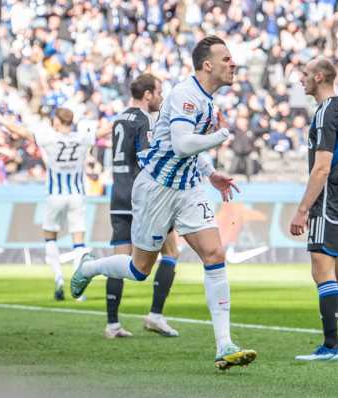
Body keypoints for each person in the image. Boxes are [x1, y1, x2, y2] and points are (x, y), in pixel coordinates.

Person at [69, 36, 256, 370]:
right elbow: (184, 144)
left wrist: (211, 173)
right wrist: (222, 135)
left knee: (214, 253)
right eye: (226, 59)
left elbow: (183, 149)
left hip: (188, 188)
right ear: (207, 65)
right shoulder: (186, 95)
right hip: (155, 189)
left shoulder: (207, 100)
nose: (233, 64)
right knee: (140, 269)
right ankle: (89, 267)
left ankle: (224, 345)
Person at [0, 103, 97, 301]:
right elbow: (103, 131)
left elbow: (19, 130)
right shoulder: (82, 137)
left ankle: (59, 278)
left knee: (50, 237)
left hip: (55, 194)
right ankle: (79, 292)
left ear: (58, 122)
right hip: (77, 194)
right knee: (79, 243)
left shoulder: (49, 137)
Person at [290, 57, 338, 361]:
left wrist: (303, 209)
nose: (301, 80)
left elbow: (321, 168)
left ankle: (330, 345)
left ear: (319, 77)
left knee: (322, 270)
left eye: (305, 74)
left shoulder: (325, 113)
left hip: (328, 202)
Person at [104, 73, 181, 339]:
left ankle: (112, 324)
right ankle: (155, 315)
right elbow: (148, 160)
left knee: (119, 259)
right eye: (158, 92)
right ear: (147, 94)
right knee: (171, 252)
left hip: (118, 195)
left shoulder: (119, 118)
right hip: (142, 197)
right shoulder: (143, 120)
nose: (160, 97)